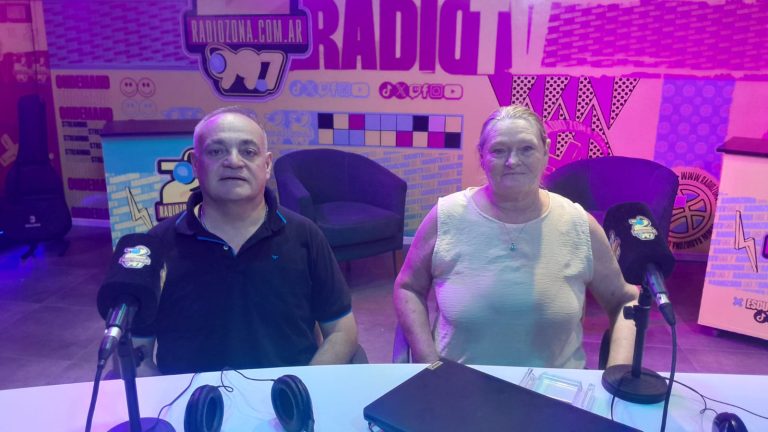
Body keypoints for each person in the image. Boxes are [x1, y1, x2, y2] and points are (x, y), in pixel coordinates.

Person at [393, 105, 638, 368]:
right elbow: (408, 288)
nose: (512, 161)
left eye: (526, 149)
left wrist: (618, 371)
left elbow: (625, 299)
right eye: (499, 150)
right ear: (482, 157)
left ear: (546, 151)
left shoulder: (579, 225)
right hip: (458, 384)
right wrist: (428, 363)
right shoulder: (446, 216)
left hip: (553, 387)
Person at [131, 106, 358, 375]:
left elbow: (341, 330)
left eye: (248, 152)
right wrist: (168, 400)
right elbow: (135, 350)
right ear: (195, 163)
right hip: (191, 398)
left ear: (267, 164)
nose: (234, 161)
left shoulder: (305, 236)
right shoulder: (156, 244)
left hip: (286, 395)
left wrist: (304, 388)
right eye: (217, 151)